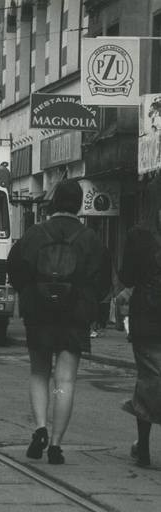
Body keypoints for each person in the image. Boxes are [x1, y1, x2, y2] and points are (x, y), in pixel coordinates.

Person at [7, 179, 111, 464]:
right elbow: (103, 283)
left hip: (39, 313)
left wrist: (31, 296)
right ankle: (55, 444)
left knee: (39, 373)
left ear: (53, 203)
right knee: (64, 380)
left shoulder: (34, 235)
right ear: (79, 204)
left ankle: (39, 427)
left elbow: (15, 270)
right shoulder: (90, 239)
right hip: (75, 316)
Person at [118, 174, 161, 468]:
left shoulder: (138, 234)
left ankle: (143, 446)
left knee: (148, 378)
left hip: (148, 316)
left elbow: (127, 277)